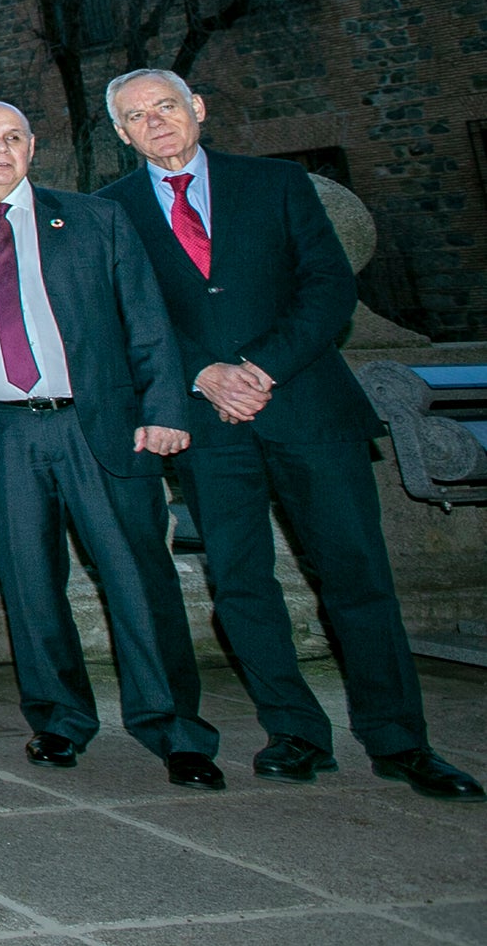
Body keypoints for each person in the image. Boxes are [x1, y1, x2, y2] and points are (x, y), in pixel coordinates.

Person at [102, 70, 480, 801]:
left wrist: (260, 367)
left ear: (198, 109)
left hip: (308, 408)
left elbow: (330, 286)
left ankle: (401, 739)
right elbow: (122, 313)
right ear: (121, 133)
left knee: (357, 577)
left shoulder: (276, 184)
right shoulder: (110, 212)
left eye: (167, 107)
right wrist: (202, 374)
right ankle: (294, 732)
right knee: (241, 583)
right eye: (136, 116)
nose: (156, 123)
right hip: (207, 425)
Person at [0, 100, 224, 787]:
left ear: (32, 146)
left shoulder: (95, 219)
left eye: (13, 137)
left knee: (139, 579)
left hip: (98, 424)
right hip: (1, 431)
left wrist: (166, 408)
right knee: (28, 584)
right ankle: (58, 721)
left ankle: (174, 729)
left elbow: (147, 320)